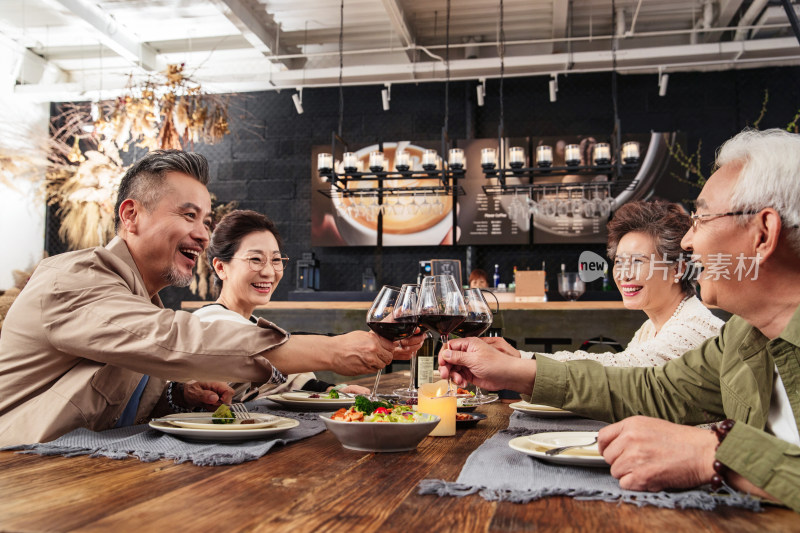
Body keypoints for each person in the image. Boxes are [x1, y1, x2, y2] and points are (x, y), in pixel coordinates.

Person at [438, 129, 800, 512]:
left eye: (702, 218)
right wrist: (515, 373)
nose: (689, 242)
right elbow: (653, 389)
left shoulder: (705, 325)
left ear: (762, 234)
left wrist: (714, 455)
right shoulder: (743, 337)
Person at [0, 150, 421, 447]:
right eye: (188, 215)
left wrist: (178, 396)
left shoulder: (144, 302)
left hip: (85, 466)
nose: (203, 234)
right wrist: (329, 350)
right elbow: (176, 341)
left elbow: (116, 397)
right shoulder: (71, 278)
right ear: (131, 216)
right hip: (21, 472)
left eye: (205, 219)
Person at [486, 200, 724, 367]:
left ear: (678, 269)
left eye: (637, 261)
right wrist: (520, 358)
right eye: (619, 262)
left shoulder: (693, 328)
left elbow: (617, 369)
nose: (623, 275)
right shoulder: (650, 328)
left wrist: (521, 360)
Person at [194, 209, 370, 398]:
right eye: (255, 259)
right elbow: (265, 354)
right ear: (221, 267)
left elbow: (285, 380)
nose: (269, 272)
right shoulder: (208, 321)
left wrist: (331, 390)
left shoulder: (251, 324)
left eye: (276, 260)